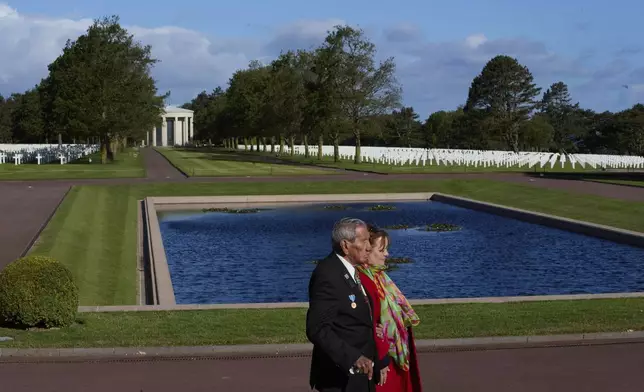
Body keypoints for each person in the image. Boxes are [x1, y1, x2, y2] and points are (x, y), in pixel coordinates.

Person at [306, 217, 390, 392]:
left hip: (363, 375)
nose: (369, 246)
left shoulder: (354, 272)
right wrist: (353, 357)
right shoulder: (328, 275)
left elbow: (364, 323)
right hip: (341, 378)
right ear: (345, 246)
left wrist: (379, 359)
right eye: (364, 241)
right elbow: (318, 329)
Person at [357, 225, 422, 392]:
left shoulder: (380, 276)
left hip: (394, 349)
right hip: (383, 353)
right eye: (382, 249)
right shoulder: (363, 279)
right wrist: (380, 357)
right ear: (367, 250)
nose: (387, 254)